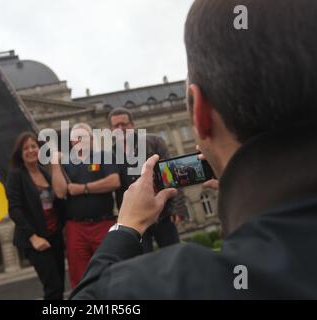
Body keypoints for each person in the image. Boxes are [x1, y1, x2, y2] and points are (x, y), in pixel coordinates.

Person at [71, 0, 317, 299]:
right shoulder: (111, 153)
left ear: (199, 114)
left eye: (125, 124)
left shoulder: (175, 284)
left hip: (151, 214)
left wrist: (125, 227)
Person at [108, 107, 185, 253]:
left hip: (162, 211)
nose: (120, 128)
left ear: (132, 125)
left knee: (173, 255)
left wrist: (178, 207)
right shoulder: (110, 154)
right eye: (116, 126)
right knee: (142, 260)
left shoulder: (154, 142)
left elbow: (173, 173)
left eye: (124, 124)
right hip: (134, 218)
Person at [56, 123, 120, 289]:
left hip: (104, 223)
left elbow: (114, 181)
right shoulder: (65, 163)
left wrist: (83, 188)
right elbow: (60, 192)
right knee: (80, 277)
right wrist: (55, 165)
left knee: (111, 271)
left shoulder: (103, 156)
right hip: (76, 227)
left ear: (92, 140)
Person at [6, 132, 66, 300]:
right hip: (36, 239)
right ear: (20, 153)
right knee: (53, 287)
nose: (31, 150)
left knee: (60, 284)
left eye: (34, 146)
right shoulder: (16, 175)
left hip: (54, 236)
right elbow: (14, 209)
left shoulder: (45, 172)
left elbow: (58, 200)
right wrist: (33, 237)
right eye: (25, 148)